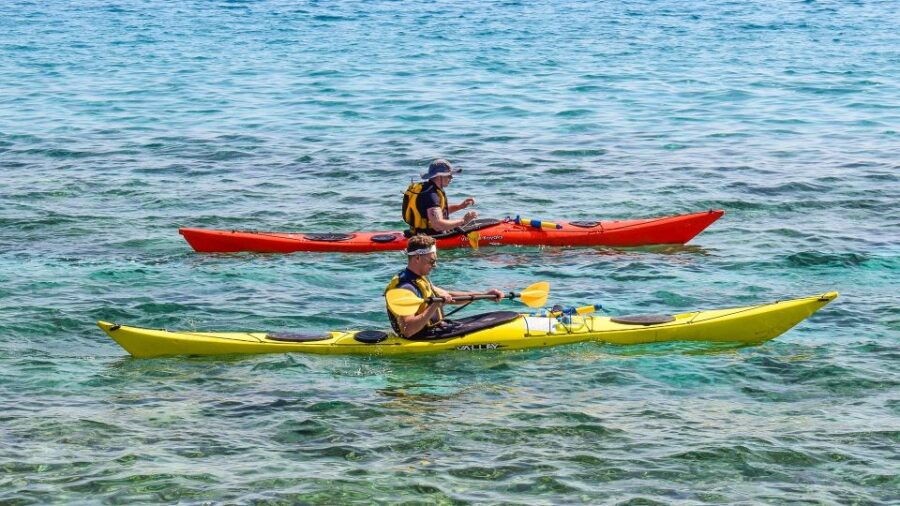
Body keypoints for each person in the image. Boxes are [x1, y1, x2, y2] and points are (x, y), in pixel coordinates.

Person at [384, 234, 504, 338]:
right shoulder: (405, 287)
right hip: (421, 337)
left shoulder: (419, 279)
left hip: (434, 330)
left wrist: (485, 295)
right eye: (431, 261)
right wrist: (434, 305)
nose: (435, 265)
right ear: (417, 257)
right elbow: (408, 331)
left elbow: (448, 296)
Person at [402, 159, 478, 235]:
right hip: (428, 237)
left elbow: (438, 211)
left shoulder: (428, 188)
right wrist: (463, 220)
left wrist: (460, 206)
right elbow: (438, 226)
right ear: (439, 176)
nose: (451, 178)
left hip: (418, 232)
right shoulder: (431, 195)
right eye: (449, 175)